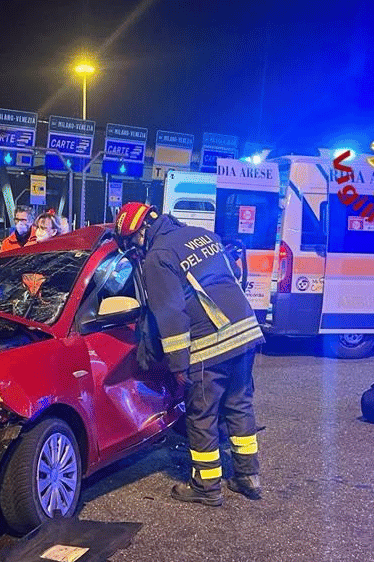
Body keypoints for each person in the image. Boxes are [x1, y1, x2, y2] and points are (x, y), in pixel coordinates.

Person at [113, 202, 266, 506]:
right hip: (246, 332)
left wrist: (178, 364)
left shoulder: (158, 257)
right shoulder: (202, 234)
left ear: (141, 231)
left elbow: (171, 315)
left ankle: (207, 487)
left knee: (202, 414)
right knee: (239, 405)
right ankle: (248, 477)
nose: (136, 250)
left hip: (211, 342)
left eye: (133, 244)